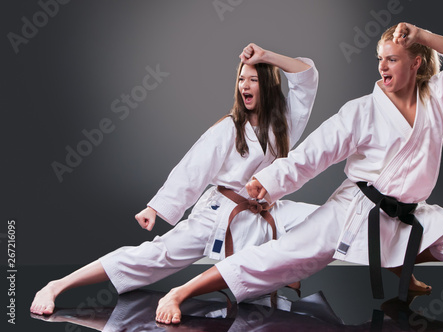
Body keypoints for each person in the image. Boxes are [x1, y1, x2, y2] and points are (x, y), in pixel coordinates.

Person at [153, 22, 443, 324]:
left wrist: (425, 36)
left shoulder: (438, 100)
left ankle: (393, 257)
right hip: (354, 211)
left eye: (392, 59)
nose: (382, 67)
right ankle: (181, 292)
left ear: (416, 63)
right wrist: (267, 181)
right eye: (380, 58)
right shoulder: (362, 111)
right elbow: (313, 154)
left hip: (407, 213)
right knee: (278, 258)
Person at [30, 43, 320, 316]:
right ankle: (57, 285)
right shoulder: (229, 129)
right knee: (153, 257)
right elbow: (191, 169)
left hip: (262, 211)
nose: (244, 85)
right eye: (241, 79)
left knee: (324, 220)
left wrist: (266, 55)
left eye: (253, 80)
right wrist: (155, 208)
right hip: (219, 215)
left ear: (268, 85)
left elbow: (306, 77)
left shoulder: (283, 121)